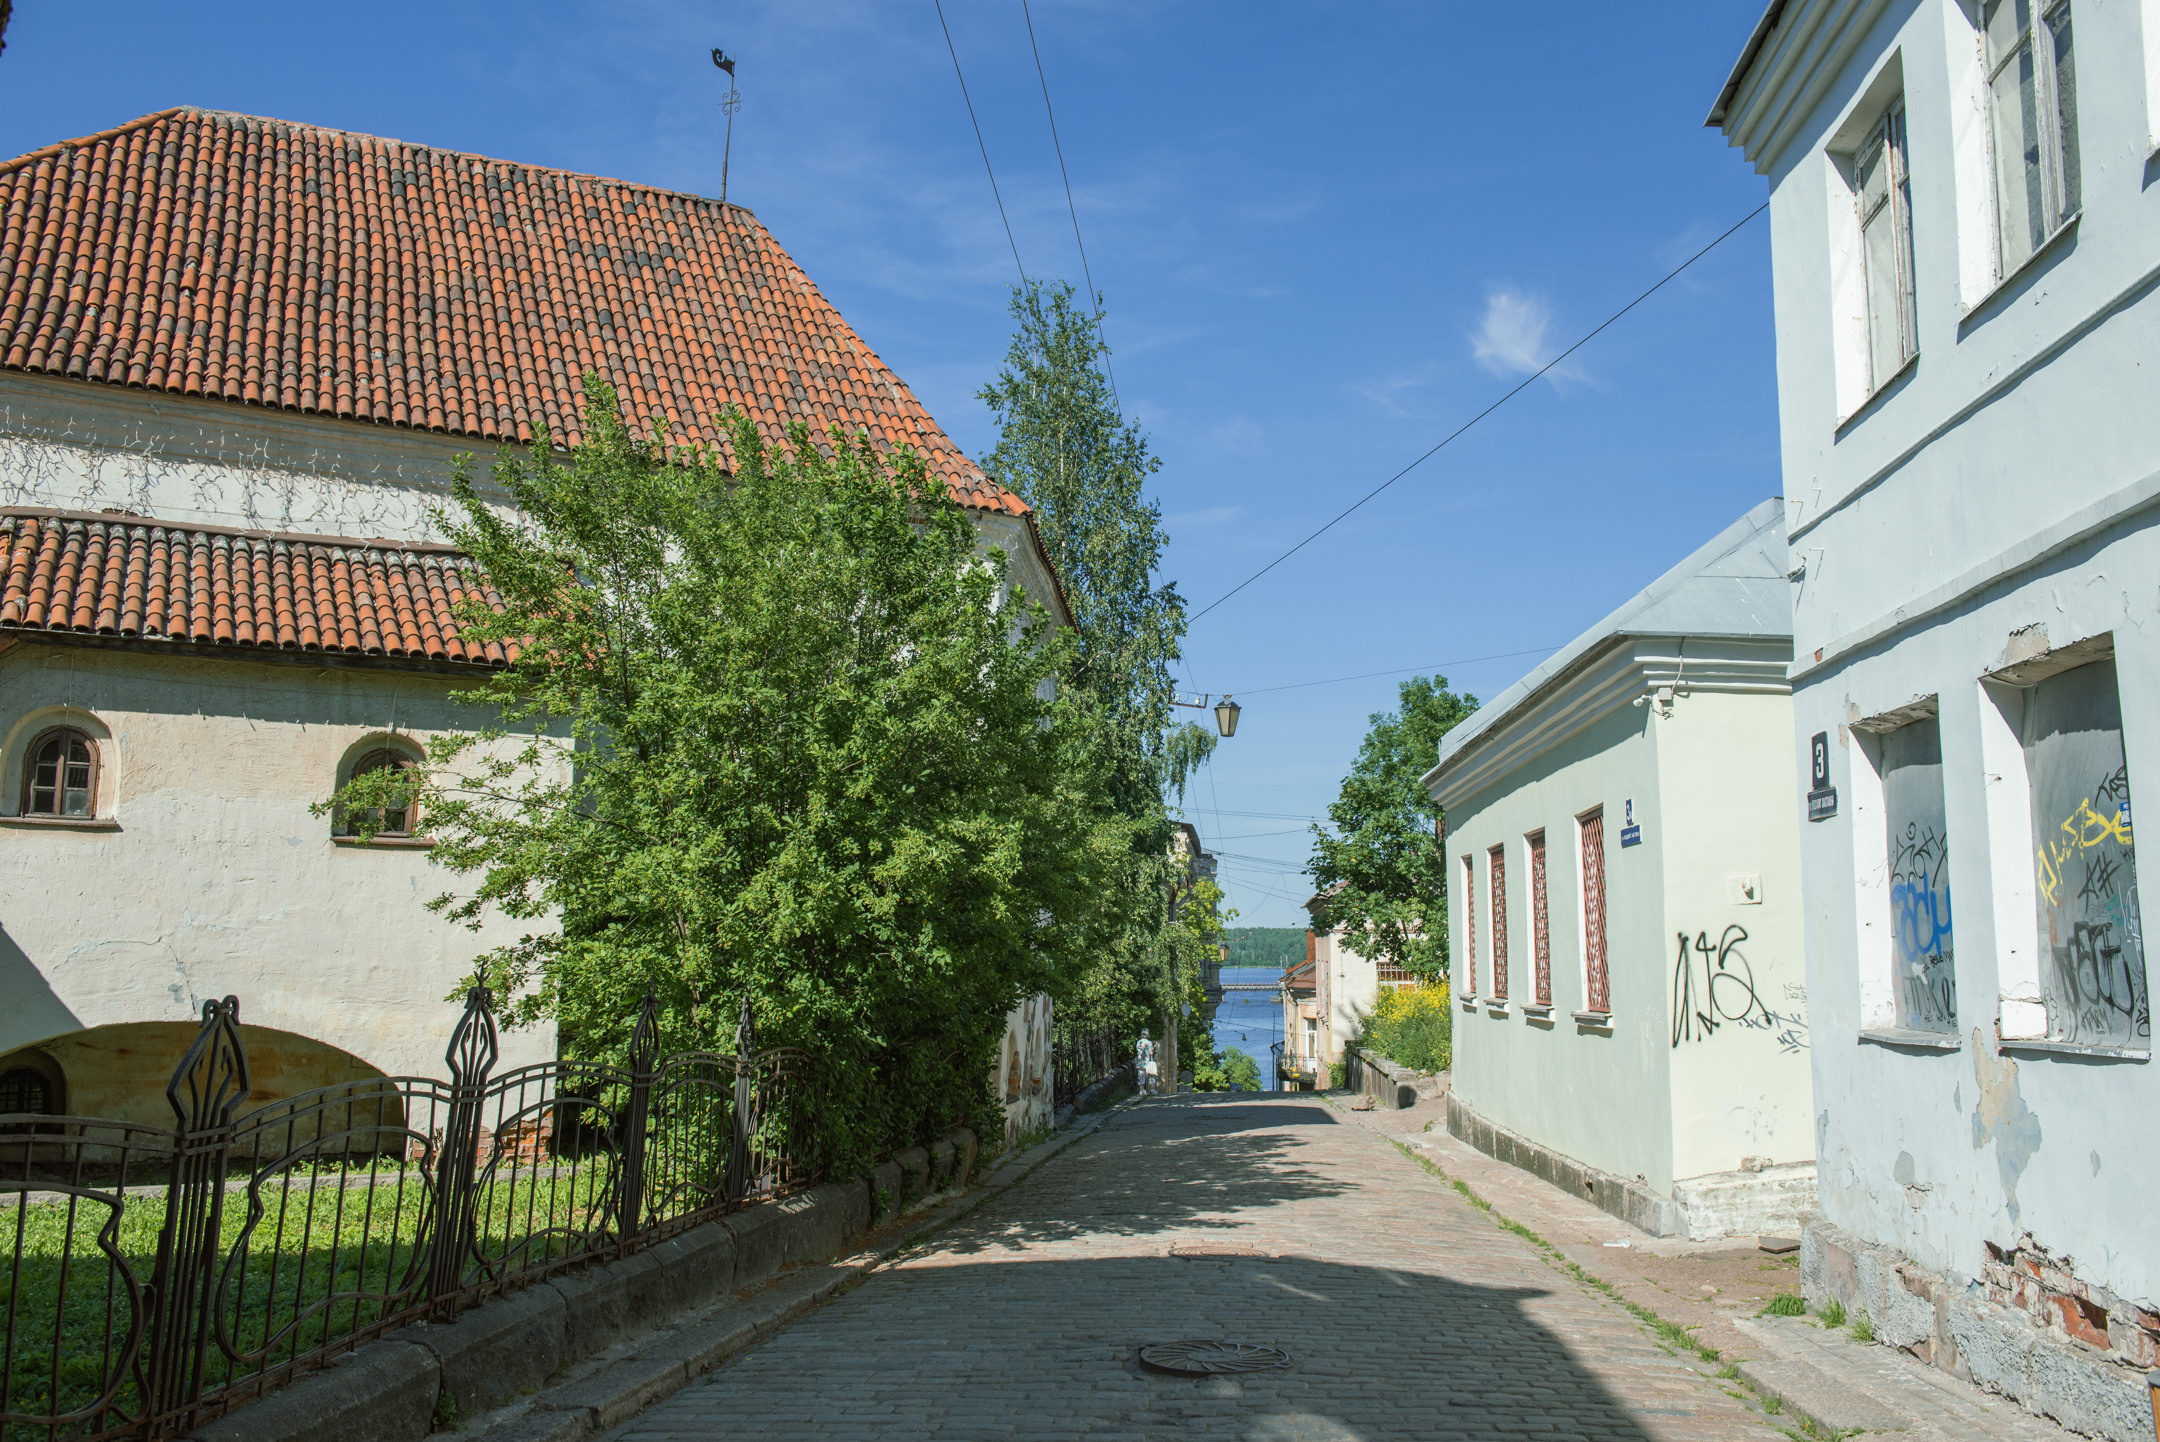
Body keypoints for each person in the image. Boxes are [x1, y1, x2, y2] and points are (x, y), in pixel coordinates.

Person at [1135, 1032, 1159, 1097]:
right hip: (1148, 1061)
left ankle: (1141, 1091)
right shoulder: (1149, 1042)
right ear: (1148, 1035)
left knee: (1141, 1077)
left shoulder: (1138, 1042)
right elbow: (1151, 1052)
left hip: (1140, 1062)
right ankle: (1152, 1090)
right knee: (1151, 1075)